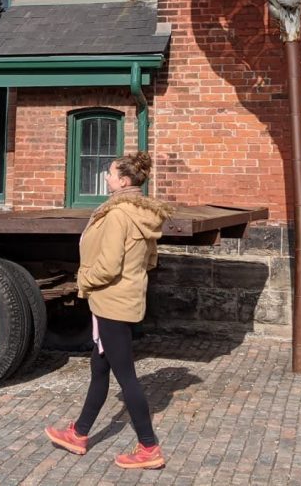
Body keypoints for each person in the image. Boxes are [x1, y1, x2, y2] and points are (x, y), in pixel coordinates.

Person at [45, 151, 173, 470]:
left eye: (111, 173)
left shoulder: (118, 215)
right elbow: (150, 259)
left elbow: (108, 265)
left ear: (124, 181)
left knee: (126, 376)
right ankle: (79, 432)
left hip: (111, 302)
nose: (106, 176)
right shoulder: (141, 214)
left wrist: (83, 279)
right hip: (122, 299)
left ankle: (148, 447)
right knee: (99, 369)